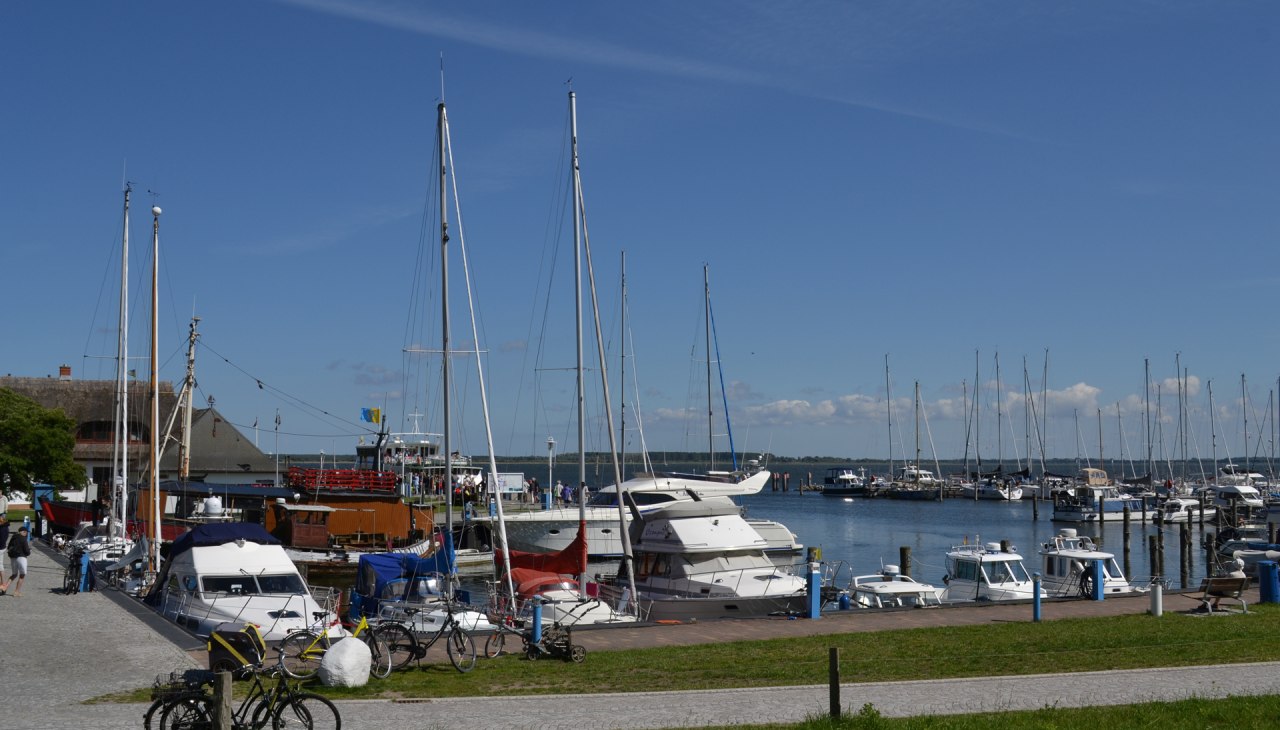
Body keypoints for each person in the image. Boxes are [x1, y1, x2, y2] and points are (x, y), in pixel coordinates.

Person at [1, 525, 31, 597]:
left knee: (14, 574)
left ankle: (5, 587)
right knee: (22, 575)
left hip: (13, 558)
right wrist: (29, 551)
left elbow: (8, 547)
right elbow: (27, 551)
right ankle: (16, 592)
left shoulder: (13, 537)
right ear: (23, 532)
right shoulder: (23, 539)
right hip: (21, 558)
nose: (26, 534)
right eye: (26, 532)